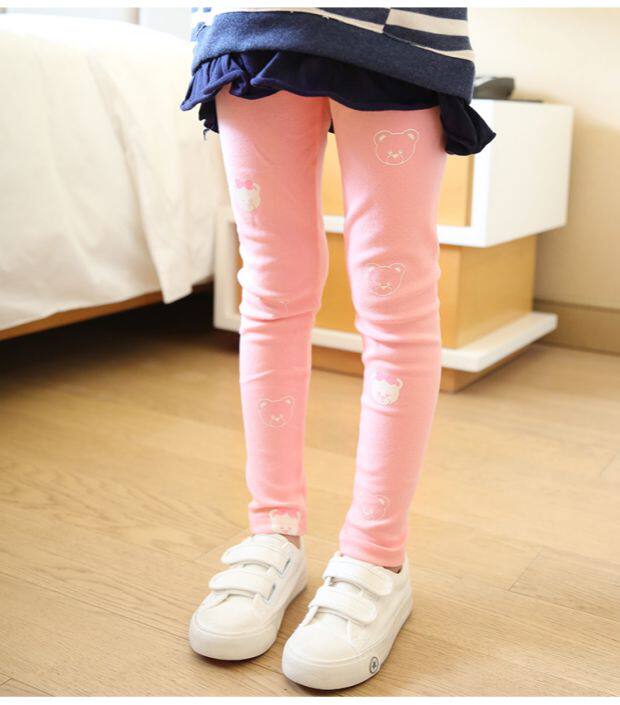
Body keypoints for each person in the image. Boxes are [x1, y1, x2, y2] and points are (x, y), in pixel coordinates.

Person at [181, 6, 494, 690]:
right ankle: (274, 529)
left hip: (395, 32)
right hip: (252, 24)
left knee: (395, 298)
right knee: (271, 289)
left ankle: (378, 554)